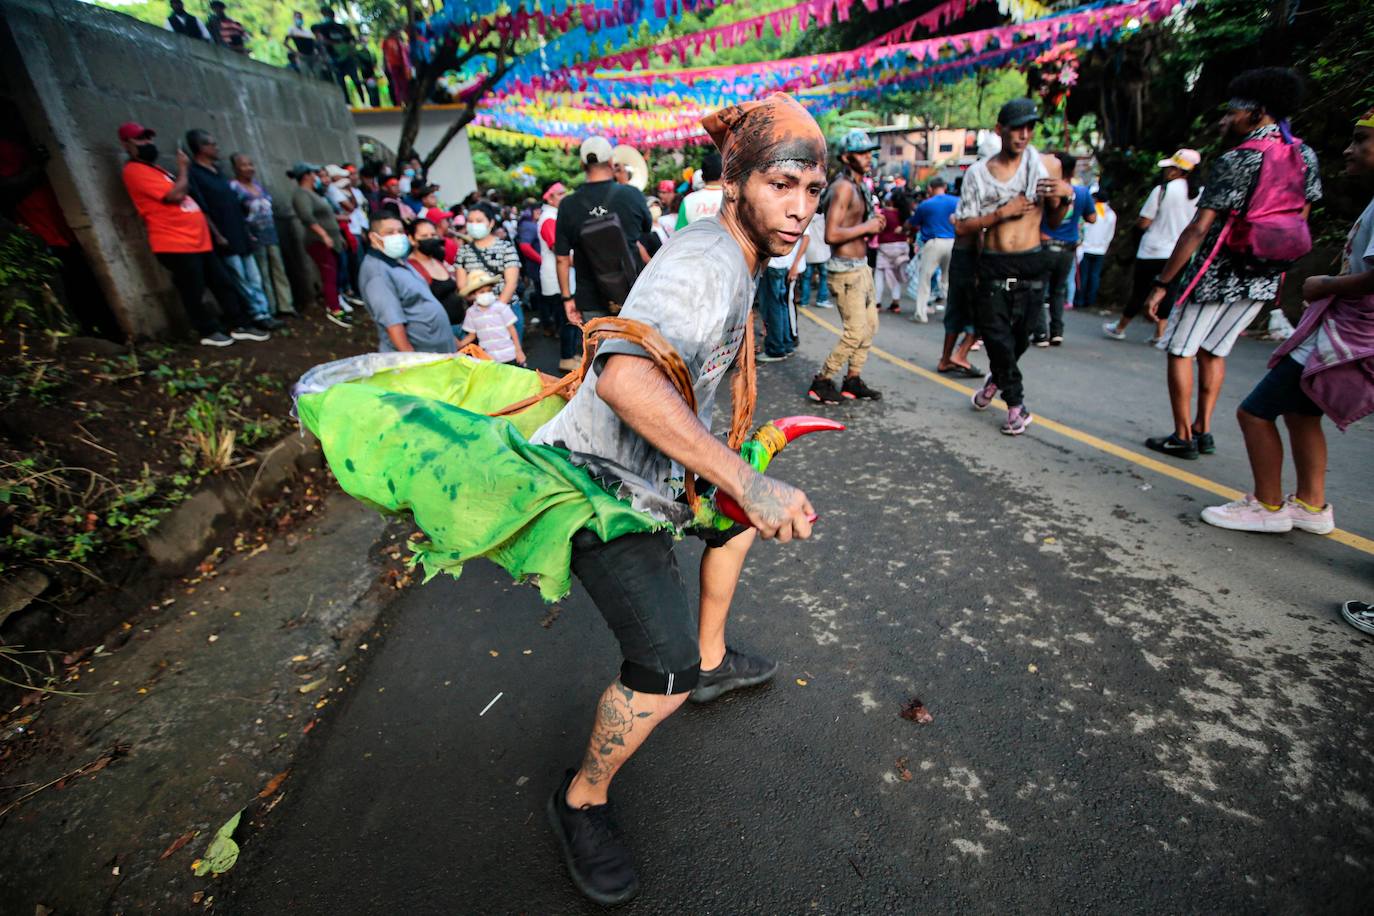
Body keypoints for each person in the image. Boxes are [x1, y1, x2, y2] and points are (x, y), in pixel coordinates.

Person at [530, 92, 824, 906]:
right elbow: (622, 375)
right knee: (660, 672)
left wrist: (736, 485)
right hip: (599, 483)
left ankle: (716, 659)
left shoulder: (739, 251)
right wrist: (745, 477)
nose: (800, 210)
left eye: (811, 191)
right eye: (782, 187)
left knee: (733, 528)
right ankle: (579, 801)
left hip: (658, 473)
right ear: (736, 185)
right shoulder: (704, 265)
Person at [1198, 107, 1374, 534]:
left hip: (1346, 330)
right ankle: (1312, 506)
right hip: (1344, 327)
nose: (1349, 150)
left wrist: (1325, 284)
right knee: (1301, 411)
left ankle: (1268, 506)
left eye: (1360, 140)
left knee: (1255, 412)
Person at [1143, 68, 1321, 460]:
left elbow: (1198, 229)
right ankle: (1204, 430)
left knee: (1180, 349)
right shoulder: (1305, 154)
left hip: (1217, 274)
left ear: (1256, 112)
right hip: (1264, 276)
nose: (1226, 119)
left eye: (1232, 112)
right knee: (1215, 350)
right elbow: (1300, 218)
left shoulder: (1237, 159)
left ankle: (1182, 435)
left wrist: (1163, 281)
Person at [954, 98, 1071, 436]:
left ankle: (996, 380)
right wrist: (1001, 213)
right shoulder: (977, 173)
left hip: (1032, 261)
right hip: (991, 264)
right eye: (1017, 127)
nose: (1024, 135)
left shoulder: (1044, 166)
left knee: (1021, 339)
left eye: (1029, 128)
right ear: (999, 130)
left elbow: (1055, 217)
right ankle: (1016, 406)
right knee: (996, 338)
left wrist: (1066, 196)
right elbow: (962, 226)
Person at [117, 121, 265, 347]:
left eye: (148, 138)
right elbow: (175, 196)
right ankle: (207, 331)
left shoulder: (157, 170)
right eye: (140, 139)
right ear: (127, 144)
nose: (147, 143)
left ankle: (239, 324)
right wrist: (184, 168)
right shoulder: (134, 171)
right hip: (174, 242)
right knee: (193, 290)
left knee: (223, 283)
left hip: (198, 241)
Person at [554, 136, 654, 371]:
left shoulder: (568, 205)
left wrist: (568, 298)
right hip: (632, 291)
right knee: (637, 358)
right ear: (611, 161)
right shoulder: (632, 195)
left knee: (600, 363)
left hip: (590, 297)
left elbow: (560, 257)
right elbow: (646, 230)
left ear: (581, 165)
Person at [807, 128, 887, 405]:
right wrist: (868, 225)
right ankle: (823, 380)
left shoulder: (858, 185)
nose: (868, 157)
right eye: (861, 153)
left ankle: (852, 380)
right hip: (845, 271)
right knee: (855, 332)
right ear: (846, 157)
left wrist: (872, 225)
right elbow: (831, 234)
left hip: (860, 266)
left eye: (869, 152)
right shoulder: (842, 187)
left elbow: (854, 226)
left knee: (870, 327)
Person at [184, 130, 279, 330]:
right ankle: (256, 314)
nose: (216, 147)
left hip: (241, 235)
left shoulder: (218, 173)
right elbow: (203, 208)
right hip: (225, 238)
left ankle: (264, 312)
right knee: (240, 278)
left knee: (254, 277)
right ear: (201, 148)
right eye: (212, 144)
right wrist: (217, 234)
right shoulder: (195, 174)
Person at [1103, 149, 1202, 342]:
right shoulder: (1200, 195)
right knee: (1170, 291)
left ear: (1180, 170)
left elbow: (1144, 223)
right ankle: (1160, 333)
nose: (1168, 172)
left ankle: (1121, 327)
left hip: (1152, 249)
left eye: (1172, 168)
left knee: (1140, 290)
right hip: (1180, 253)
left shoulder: (1162, 190)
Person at [358, 215, 456, 353]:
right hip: (420, 357)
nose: (397, 236)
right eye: (390, 232)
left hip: (436, 350)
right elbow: (392, 322)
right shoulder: (377, 272)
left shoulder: (398, 261)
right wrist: (409, 358)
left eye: (400, 231)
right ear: (374, 238)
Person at [1033, 152, 1095, 347]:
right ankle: (1057, 332)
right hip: (1068, 248)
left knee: (1039, 290)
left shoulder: (1048, 190)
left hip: (1045, 246)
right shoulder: (1082, 192)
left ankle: (1041, 333)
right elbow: (1092, 218)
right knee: (1058, 291)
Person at [229, 153, 295, 317]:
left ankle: (285, 305)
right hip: (254, 236)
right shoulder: (234, 187)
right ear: (235, 168)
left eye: (251, 164)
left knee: (278, 269)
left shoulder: (258, 186)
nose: (249, 168)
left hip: (270, 233)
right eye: (244, 165)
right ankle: (270, 308)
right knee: (262, 273)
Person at [289, 161, 351, 327]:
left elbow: (327, 217)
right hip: (318, 241)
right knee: (328, 274)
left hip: (332, 240)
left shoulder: (313, 193)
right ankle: (334, 310)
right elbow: (307, 217)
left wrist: (338, 236)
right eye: (315, 174)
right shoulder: (301, 194)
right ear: (307, 176)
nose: (317, 177)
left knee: (334, 274)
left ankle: (337, 304)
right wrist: (324, 235)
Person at [455, 203, 524, 340]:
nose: (474, 225)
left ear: (491, 223)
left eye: (479, 221)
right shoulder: (463, 251)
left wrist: (496, 311)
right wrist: (481, 308)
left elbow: (511, 283)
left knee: (512, 355)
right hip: (478, 315)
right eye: (470, 221)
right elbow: (462, 286)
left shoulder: (505, 247)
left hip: (507, 309)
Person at [910, 176, 959, 323]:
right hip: (953, 242)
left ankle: (920, 314)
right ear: (944, 186)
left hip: (933, 243)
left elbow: (913, 223)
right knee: (948, 280)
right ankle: (952, 315)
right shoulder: (956, 201)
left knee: (925, 278)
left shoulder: (926, 204)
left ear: (930, 188)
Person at [458, 270, 525, 366]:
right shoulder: (471, 313)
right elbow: (472, 335)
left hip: (509, 355)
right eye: (482, 292)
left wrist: (518, 351)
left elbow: (512, 329)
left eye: (489, 291)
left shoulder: (500, 307)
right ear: (474, 294)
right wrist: (459, 345)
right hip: (488, 359)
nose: (486, 294)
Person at [758, 230, 807, 362]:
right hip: (781, 263)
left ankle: (776, 348)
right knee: (780, 306)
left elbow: (806, 238)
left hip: (774, 264)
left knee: (773, 308)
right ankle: (785, 344)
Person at [405, 217, 463, 325]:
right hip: (439, 331)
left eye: (433, 235)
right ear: (412, 239)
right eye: (424, 236)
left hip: (461, 326)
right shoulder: (410, 269)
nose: (430, 239)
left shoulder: (438, 261)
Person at [1077, 190, 1116, 312]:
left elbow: (1083, 229)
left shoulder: (1091, 211)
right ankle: (1091, 300)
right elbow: (1110, 234)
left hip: (1086, 248)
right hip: (1100, 250)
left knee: (1083, 275)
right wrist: (1105, 246)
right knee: (1094, 276)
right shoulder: (1111, 214)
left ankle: (1080, 300)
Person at [536, 182, 566, 339]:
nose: (564, 196)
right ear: (549, 199)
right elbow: (560, 251)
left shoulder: (554, 216)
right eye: (560, 194)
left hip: (559, 275)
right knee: (564, 321)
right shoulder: (549, 219)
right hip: (556, 276)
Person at [313, 5, 360, 104]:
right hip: (335, 58)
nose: (327, 17)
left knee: (355, 80)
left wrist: (349, 49)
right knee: (340, 82)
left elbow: (352, 40)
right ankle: (347, 103)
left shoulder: (342, 28)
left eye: (328, 14)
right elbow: (320, 41)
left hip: (347, 58)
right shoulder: (321, 28)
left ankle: (363, 102)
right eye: (325, 14)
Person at [874, 192, 911, 314]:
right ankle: (896, 304)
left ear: (892, 201)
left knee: (879, 274)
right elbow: (914, 228)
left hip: (885, 248)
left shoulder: (884, 213)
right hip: (902, 247)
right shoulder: (905, 214)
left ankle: (877, 303)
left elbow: (877, 227)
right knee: (896, 275)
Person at [674, 150, 724, 229]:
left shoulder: (688, 200)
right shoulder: (733, 199)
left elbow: (679, 233)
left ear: (702, 176)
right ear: (723, 175)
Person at [796, 208, 832, 308]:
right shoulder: (824, 219)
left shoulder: (807, 218)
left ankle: (804, 300)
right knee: (823, 277)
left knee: (806, 278)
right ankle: (821, 299)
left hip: (809, 252)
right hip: (822, 252)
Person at [382, 27, 411, 106]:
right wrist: (385, 67)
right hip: (393, 67)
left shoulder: (399, 42)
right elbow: (385, 55)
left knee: (404, 85)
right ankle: (399, 102)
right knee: (397, 85)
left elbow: (404, 56)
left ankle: (406, 101)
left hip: (402, 67)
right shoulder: (387, 42)